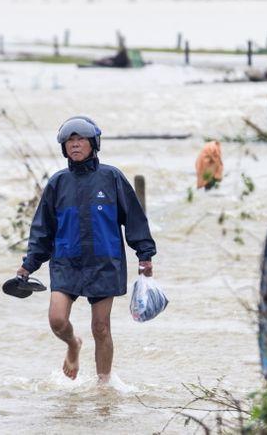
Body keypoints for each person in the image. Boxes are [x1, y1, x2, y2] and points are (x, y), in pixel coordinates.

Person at [16, 115, 156, 384]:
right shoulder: (57, 183)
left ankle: (104, 385)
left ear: (94, 143)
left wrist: (145, 254)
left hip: (105, 264)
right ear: (64, 148)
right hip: (66, 264)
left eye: (80, 139)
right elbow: (42, 230)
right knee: (57, 320)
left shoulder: (112, 178)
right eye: (70, 141)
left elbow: (135, 219)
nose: (75, 145)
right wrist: (28, 265)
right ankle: (73, 345)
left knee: (101, 328)